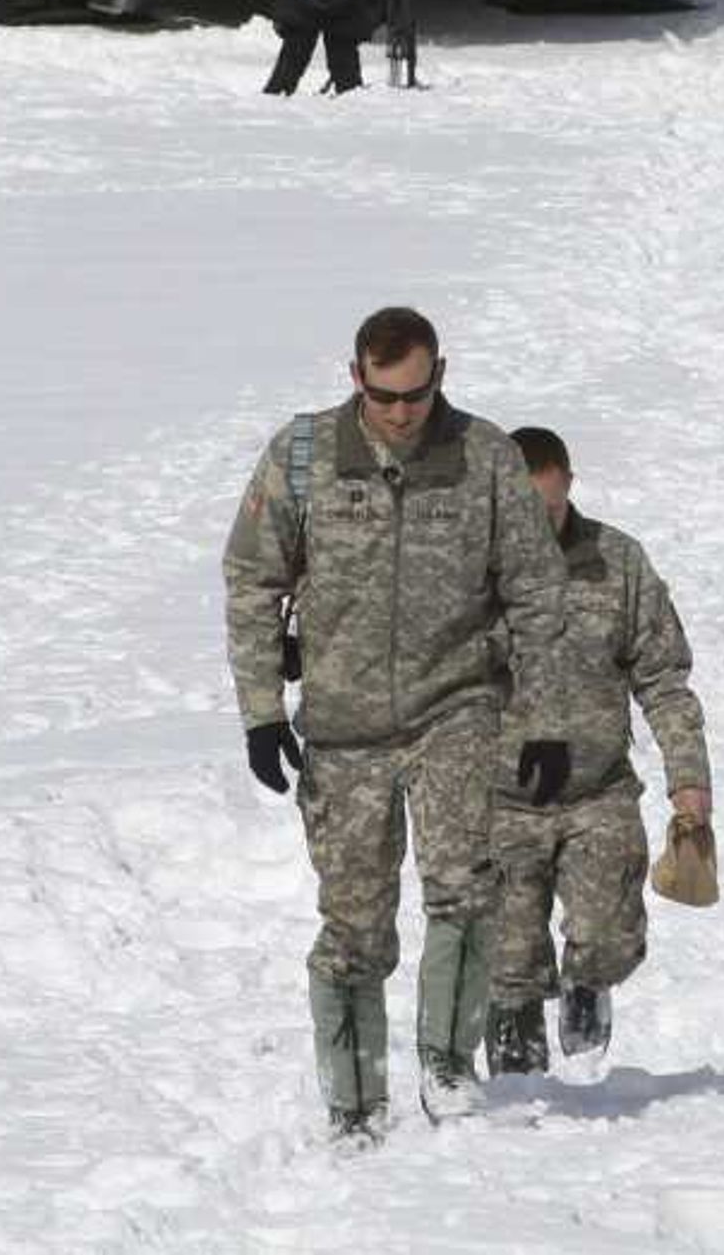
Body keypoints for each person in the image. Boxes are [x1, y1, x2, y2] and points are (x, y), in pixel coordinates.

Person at [221, 306, 576, 1138]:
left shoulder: (484, 456)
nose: (400, 412)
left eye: (415, 394)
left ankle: (450, 1068)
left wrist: (545, 719)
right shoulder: (304, 456)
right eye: (383, 395)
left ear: (439, 375)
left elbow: (536, 590)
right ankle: (354, 1099)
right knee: (352, 921)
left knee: (463, 888)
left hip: (454, 707)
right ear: (355, 378)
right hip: (343, 730)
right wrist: (262, 709)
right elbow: (251, 579)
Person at [483, 426, 710, 1081]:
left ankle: (588, 985)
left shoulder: (618, 563)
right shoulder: (469, 574)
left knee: (609, 937)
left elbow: (664, 678)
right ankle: (517, 1084)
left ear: (568, 488)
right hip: (500, 795)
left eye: (547, 508)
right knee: (509, 959)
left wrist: (689, 781)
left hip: (596, 789)